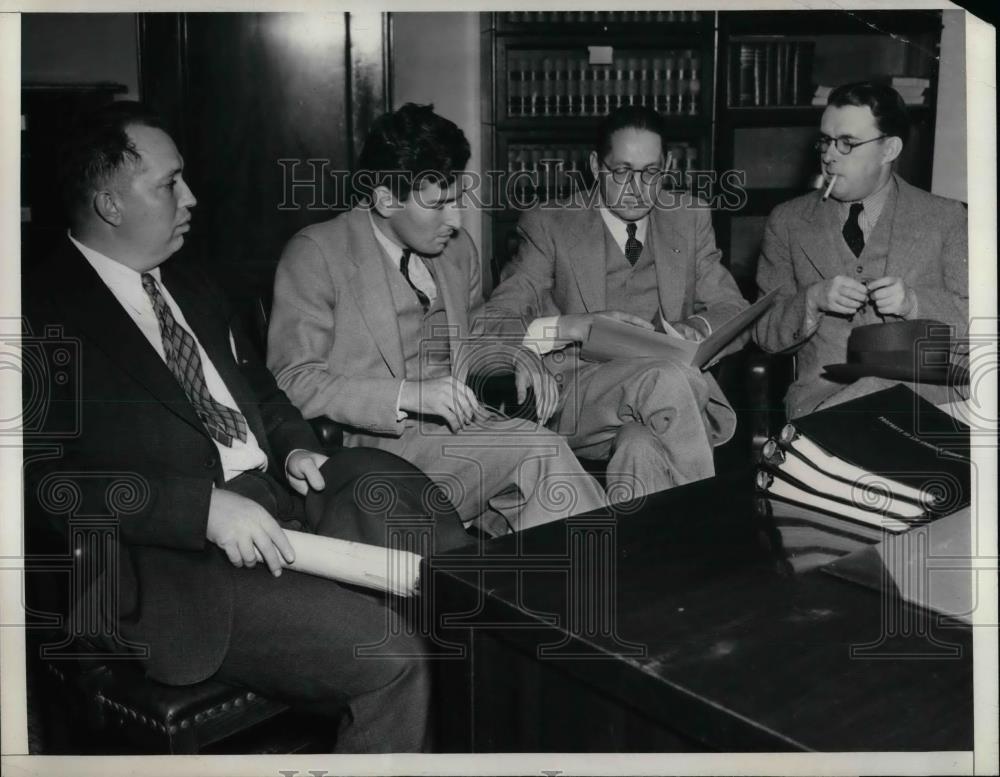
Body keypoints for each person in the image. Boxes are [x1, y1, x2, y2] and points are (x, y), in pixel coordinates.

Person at [22, 101, 471, 753]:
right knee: (394, 658)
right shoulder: (35, 313)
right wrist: (197, 508)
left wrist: (292, 445)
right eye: (171, 183)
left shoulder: (192, 282)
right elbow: (35, 483)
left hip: (286, 501)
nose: (192, 198)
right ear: (110, 203)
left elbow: (261, 387)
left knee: (441, 566)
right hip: (179, 562)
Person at [267, 103, 606, 536]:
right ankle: (611, 583)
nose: (456, 220)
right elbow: (293, 379)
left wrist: (515, 357)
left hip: (466, 431)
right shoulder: (317, 253)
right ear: (386, 198)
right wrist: (407, 395)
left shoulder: (456, 250)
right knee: (540, 452)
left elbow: (475, 334)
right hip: (375, 450)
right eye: (438, 205)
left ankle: (568, 589)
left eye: (458, 199)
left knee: (542, 486)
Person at [480, 105, 749, 498]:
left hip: (666, 411)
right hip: (576, 400)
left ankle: (633, 555)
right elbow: (490, 322)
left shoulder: (688, 217)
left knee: (638, 447)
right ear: (595, 165)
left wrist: (696, 329)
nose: (636, 187)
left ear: (668, 165)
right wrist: (568, 327)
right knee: (668, 376)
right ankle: (707, 523)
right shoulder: (550, 223)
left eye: (651, 172)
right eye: (621, 171)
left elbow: (734, 310)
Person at [752, 81, 969, 419]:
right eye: (825, 140)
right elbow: (765, 335)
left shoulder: (947, 217)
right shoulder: (788, 222)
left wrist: (915, 303)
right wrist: (811, 300)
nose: (828, 155)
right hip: (821, 405)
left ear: (889, 150)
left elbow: (980, 326)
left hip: (924, 404)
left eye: (847, 143)